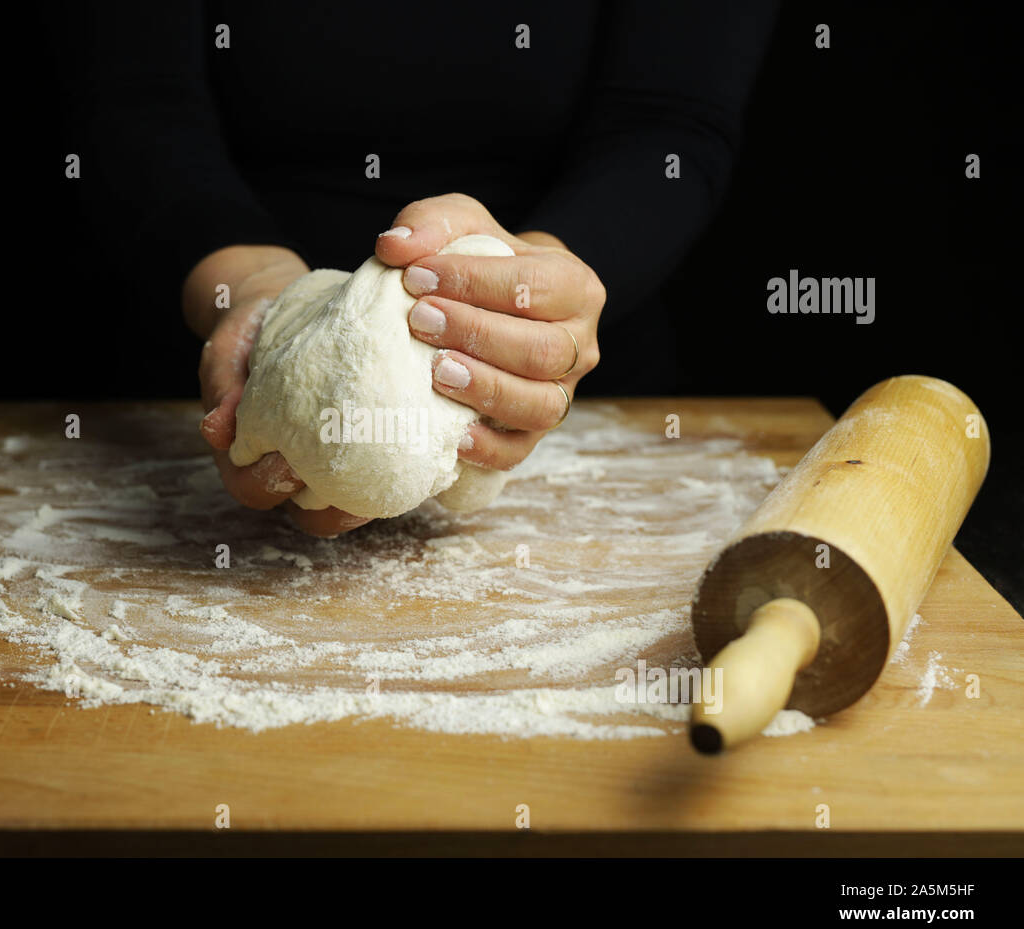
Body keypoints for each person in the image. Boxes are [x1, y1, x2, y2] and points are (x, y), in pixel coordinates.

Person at [77, 2, 779, 536]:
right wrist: (249, 287)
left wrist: (537, 279)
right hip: (189, 354)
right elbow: (136, 104)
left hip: (579, 397)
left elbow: (669, 123)